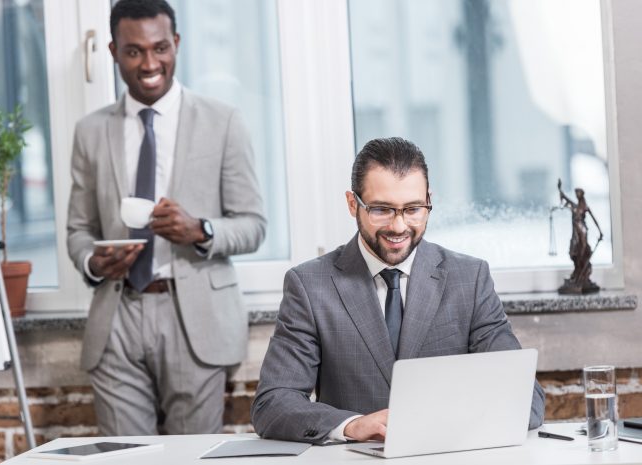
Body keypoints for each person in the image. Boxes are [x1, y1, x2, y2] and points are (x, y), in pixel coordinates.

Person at [251, 137, 544, 444]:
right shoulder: (310, 285)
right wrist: (351, 425)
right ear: (353, 205)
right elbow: (273, 404)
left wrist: (448, 422)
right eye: (382, 210)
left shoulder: (469, 279)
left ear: (429, 201)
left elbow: (528, 398)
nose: (399, 226)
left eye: (413, 209)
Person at [66, 0, 265, 436]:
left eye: (160, 48)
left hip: (194, 314)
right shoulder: (90, 131)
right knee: (125, 460)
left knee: (191, 459)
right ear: (114, 52)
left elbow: (253, 224)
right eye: (134, 51)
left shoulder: (223, 121)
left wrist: (200, 230)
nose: (149, 63)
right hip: (118, 314)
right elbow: (79, 229)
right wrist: (93, 263)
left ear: (176, 44)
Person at [557, 179, 603, 293]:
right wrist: (560, 189)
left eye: (578, 192)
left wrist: (600, 231)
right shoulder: (575, 206)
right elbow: (564, 198)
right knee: (573, 252)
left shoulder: (584, 207)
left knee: (582, 251)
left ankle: (581, 275)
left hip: (582, 231)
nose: (576, 194)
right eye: (576, 192)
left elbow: (594, 220)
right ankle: (577, 273)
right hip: (575, 232)